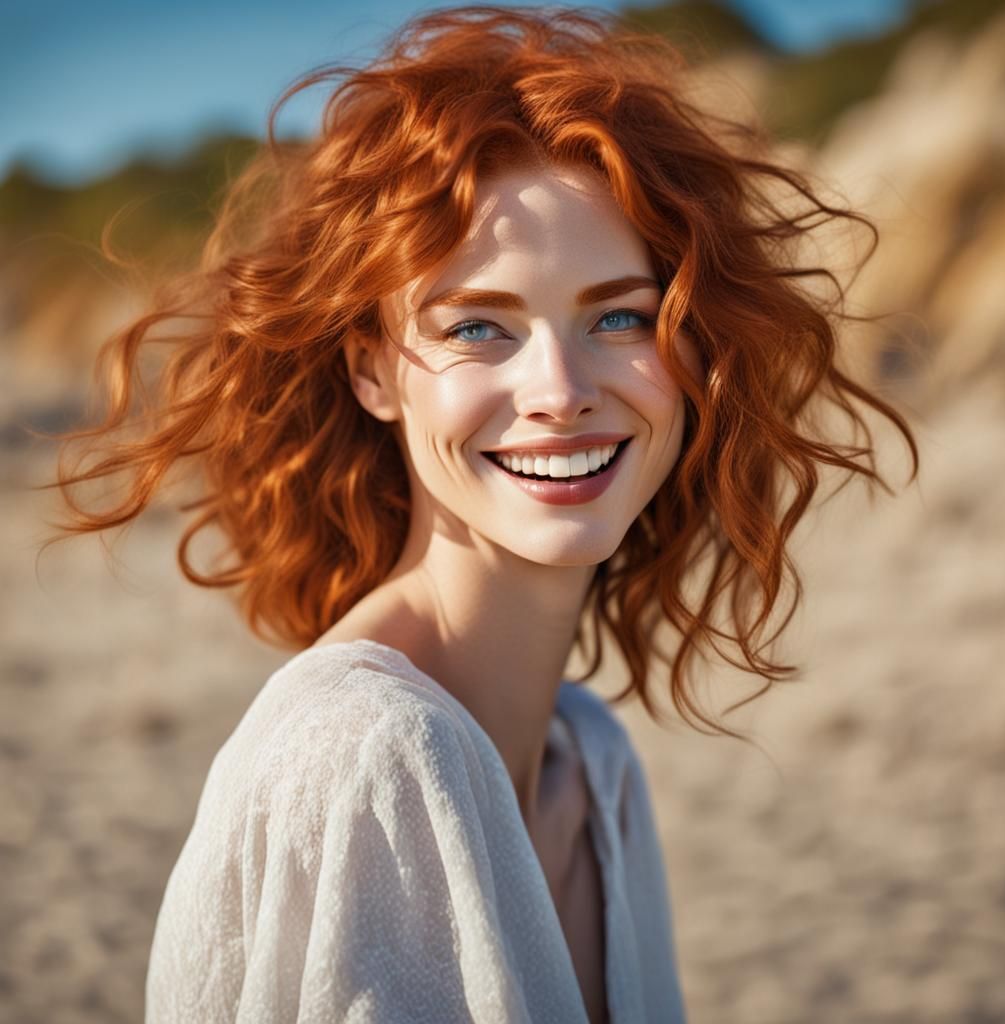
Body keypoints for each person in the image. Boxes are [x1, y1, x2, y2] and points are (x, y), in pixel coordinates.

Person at [40, 5, 918, 1022]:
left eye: (620, 315)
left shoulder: (591, 760)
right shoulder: (368, 756)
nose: (558, 387)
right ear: (371, 366)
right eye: (479, 326)